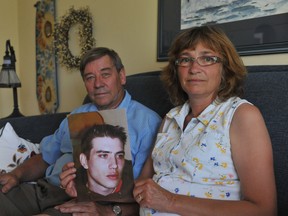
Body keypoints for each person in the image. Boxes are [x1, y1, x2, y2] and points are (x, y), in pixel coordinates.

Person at [133, 26, 277, 216]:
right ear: (177, 70)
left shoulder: (242, 116)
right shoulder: (170, 118)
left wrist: (170, 201)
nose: (194, 68)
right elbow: (143, 186)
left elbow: (264, 210)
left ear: (224, 68)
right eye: (185, 60)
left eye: (207, 58)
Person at [0, 47, 161, 215]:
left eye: (105, 74)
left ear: (121, 76)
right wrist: (16, 175)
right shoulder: (78, 114)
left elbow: (144, 188)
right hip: (45, 189)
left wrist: (109, 209)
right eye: (90, 78)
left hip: (91, 202)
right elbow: (46, 158)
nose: (98, 84)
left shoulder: (148, 123)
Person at [76, 124, 133, 199]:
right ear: (84, 161)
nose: (114, 165)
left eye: (119, 156)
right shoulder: (74, 190)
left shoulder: (134, 189)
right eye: (103, 155)